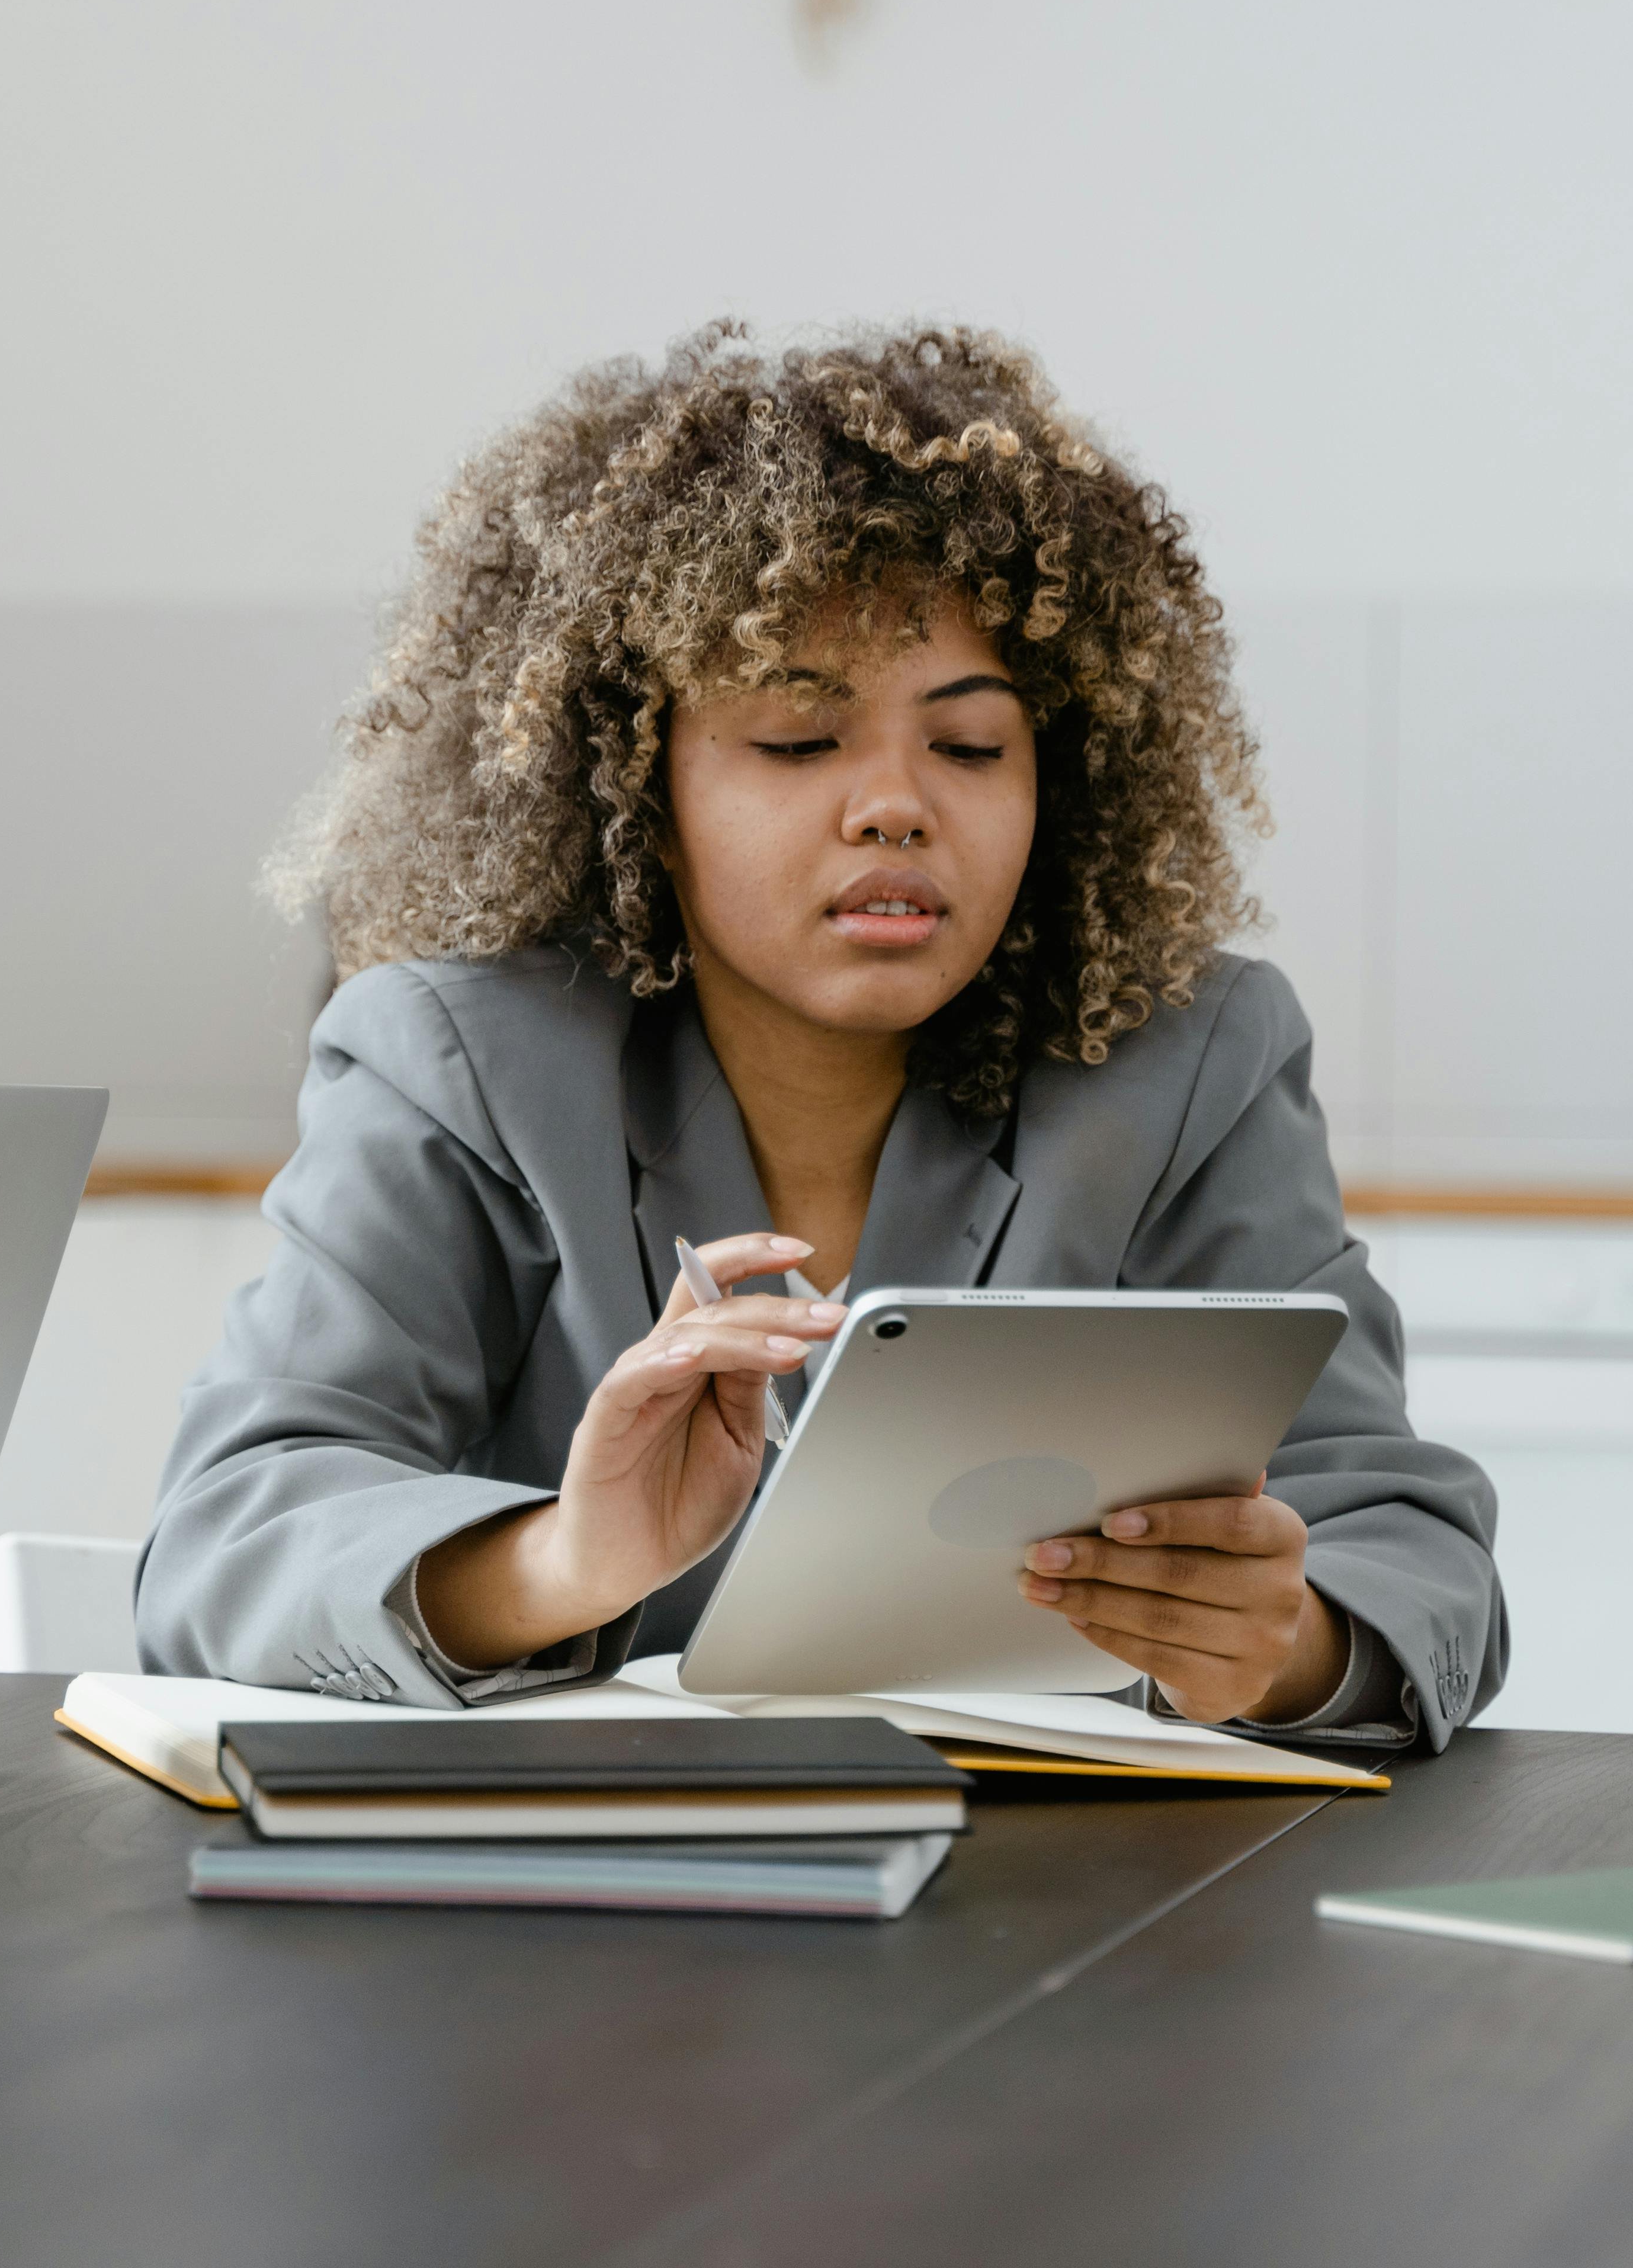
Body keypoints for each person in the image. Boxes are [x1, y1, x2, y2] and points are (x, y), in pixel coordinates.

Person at [138, 322, 1505, 1746]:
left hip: (1051, 1906)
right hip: (573, 1921)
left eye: (972, 745)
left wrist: (1280, 1644)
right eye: (800, 741)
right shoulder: (458, 1060)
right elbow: (226, 1539)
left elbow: (1411, 1550)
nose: (897, 804)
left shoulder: (1190, 1065)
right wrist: (564, 1560)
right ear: (634, 783)